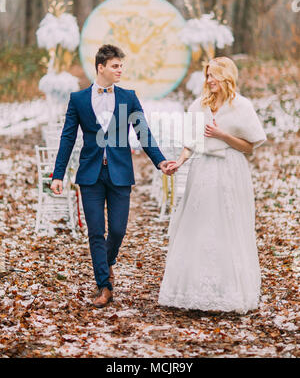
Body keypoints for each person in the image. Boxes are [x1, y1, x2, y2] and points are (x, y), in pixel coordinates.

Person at [51, 44, 175, 308]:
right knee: (96, 232)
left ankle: (106, 263)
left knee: (117, 230)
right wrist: (58, 174)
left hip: (120, 173)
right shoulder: (79, 100)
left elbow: (143, 131)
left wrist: (160, 160)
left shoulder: (128, 97)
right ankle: (104, 285)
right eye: (115, 66)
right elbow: (67, 137)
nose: (120, 70)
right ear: (101, 68)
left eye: (121, 66)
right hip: (90, 175)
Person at [159, 57, 267, 314]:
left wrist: (223, 136)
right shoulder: (200, 105)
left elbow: (249, 147)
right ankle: (192, 290)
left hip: (231, 169)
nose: (208, 81)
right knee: (200, 223)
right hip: (203, 169)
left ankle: (228, 290)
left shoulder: (241, 106)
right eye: (207, 76)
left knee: (227, 224)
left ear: (226, 77)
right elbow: (191, 142)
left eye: (213, 76)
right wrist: (180, 162)